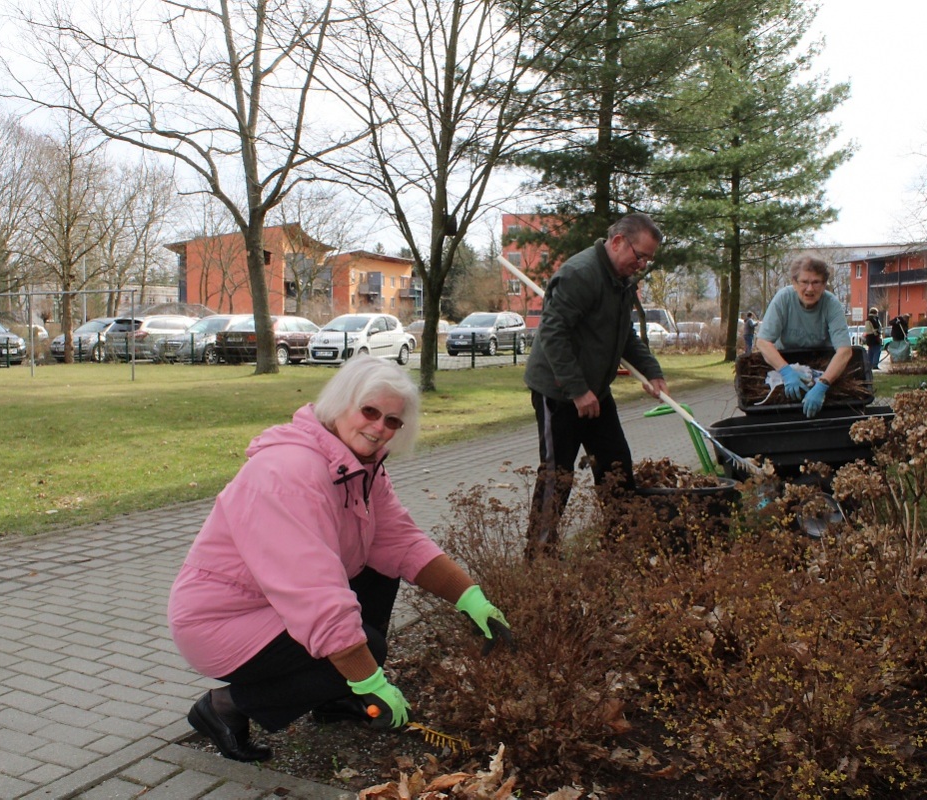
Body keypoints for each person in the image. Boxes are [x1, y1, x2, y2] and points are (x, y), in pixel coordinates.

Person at [168, 355, 512, 762]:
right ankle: (225, 707)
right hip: (222, 621)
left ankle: (333, 698)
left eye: (392, 421)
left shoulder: (360, 467)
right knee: (363, 649)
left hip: (272, 602)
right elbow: (314, 595)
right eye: (369, 411)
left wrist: (470, 599)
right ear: (341, 403)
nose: (379, 427)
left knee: (382, 572)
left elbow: (399, 540)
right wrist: (368, 677)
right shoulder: (288, 473)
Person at [523, 212, 668, 555]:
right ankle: (539, 555)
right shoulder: (580, 274)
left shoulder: (621, 280)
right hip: (558, 392)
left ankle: (620, 544)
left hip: (596, 393)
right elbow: (552, 335)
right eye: (640, 255)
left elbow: (625, 337)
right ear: (618, 241)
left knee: (616, 463)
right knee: (557, 475)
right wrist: (577, 390)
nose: (642, 264)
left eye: (649, 259)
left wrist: (652, 371)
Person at [755, 254, 853, 419]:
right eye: (804, 282)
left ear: (823, 285)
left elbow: (844, 351)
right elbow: (763, 342)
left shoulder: (831, 304)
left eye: (816, 282)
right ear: (794, 283)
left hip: (821, 364)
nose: (810, 289)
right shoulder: (783, 299)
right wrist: (786, 371)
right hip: (785, 362)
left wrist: (823, 384)